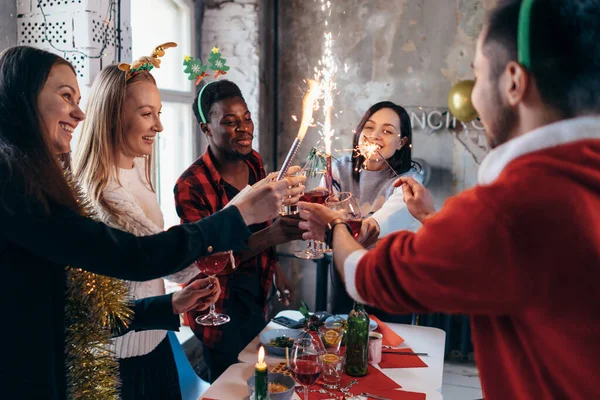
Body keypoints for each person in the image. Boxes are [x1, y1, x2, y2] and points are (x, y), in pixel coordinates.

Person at [298, 0, 600, 398]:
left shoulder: (506, 208)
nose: (474, 99)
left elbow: (365, 275)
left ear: (513, 81)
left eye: (476, 77)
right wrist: (431, 218)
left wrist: (335, 224)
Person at [0, 46, 292, 400]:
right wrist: (240, 214)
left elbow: (85, 309)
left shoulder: (54, 180)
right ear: (22, 99)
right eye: (65, 97)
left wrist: (169, 305)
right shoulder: (17, 188)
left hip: (136, 349)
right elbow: (139, 257)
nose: (79, 113)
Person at [73, 64, 221, 399]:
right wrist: (232, 223)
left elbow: (160, 266)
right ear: (111, 117)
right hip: (121, 363)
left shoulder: (137, 167)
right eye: (146, 114)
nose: (159, 125)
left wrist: (180, 295)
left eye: (159, 112)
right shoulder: (105, 191)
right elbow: (168, 262)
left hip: (155, 341)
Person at [174, 79, 306, 382]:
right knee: (232, 385)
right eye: (230, 122)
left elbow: (262, 225)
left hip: (255, 297)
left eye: (246, 118)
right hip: (217, 308)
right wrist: (273, 235)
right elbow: (208, 260)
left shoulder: (254, 161)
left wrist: (276, 270)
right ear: (207, 129)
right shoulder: (190, 185)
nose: (244, 128)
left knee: (261, 381)